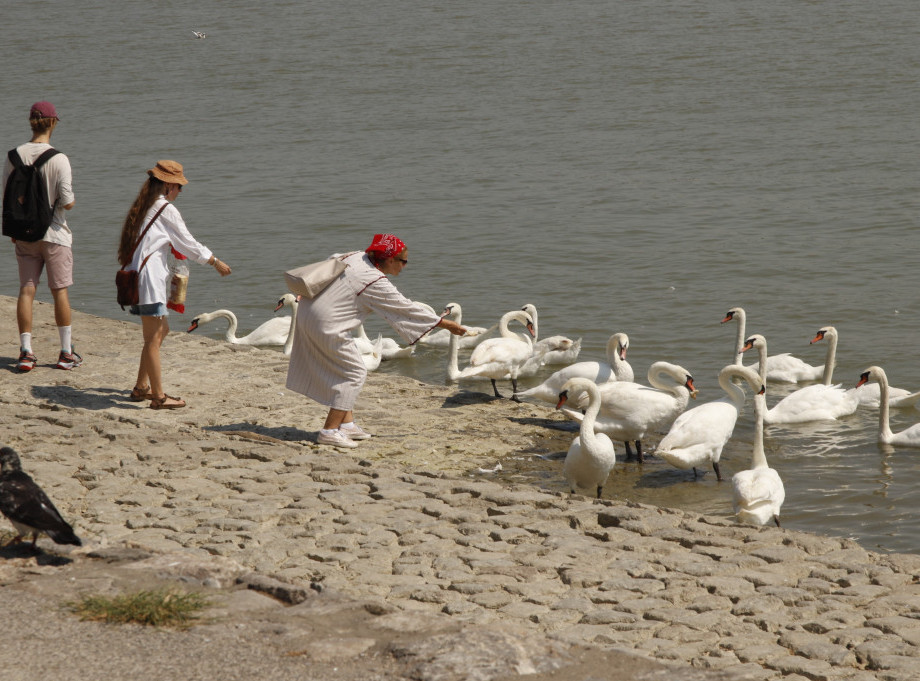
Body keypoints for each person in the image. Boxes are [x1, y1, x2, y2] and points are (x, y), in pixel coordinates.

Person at [286, 233, 467, 448]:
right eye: (404, 261)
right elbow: (405, 307)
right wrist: (448, 325)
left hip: (308, 311)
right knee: (354, 373)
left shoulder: (353, 256)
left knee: (345, 369)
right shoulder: (373, 280)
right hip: (326, 325)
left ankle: (347, 425)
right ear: (390, 260)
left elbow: (330, 260)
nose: (405, 266)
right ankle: (329, 430)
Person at [117, 160, 232, 410]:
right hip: (148, 282)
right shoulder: (164, 209)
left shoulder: (144, 206)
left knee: (161, 331)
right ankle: (158, 397)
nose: (180, 192)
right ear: (169, 185)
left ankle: (140, 388)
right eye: (180, 187)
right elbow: (186, 243)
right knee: (152, 338)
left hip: (140, 279)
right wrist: (214, 261)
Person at [2, 101, 78, 372]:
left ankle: (25, 352)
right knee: (60, 291)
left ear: (30, 122)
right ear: (53, 123)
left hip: (24, 233)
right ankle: (66, 353)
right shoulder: (59, 158)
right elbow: (67, 202)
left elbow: (7, 198)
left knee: (26, 289)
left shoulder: (13, 156)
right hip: (55, 233)